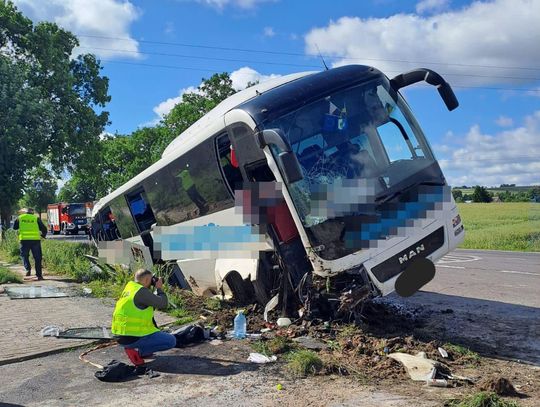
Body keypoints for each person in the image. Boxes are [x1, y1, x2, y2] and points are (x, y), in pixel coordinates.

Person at [111, 269, 176, 365]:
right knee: (171, 341)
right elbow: (163, 303)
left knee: (157, 333)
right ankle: (139, 351)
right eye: (151, 280)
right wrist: (159, 288)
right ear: (146, 280)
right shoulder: (141, 292)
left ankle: (141, 351)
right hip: (133, 338)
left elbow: (149, 301)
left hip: (120, 336)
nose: (152, 282)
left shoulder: (130, 288)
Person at [13, 208, 47, 280]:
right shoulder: (36, 218)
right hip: (35, 241)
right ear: (32, 213)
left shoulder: (20, 218)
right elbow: (44, 228)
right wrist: (43, 235)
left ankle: (28, 269)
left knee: (24, 255)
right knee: (38, 258)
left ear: (25, 212)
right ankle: (39, 275)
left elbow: (14, 227)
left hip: (24, 240)